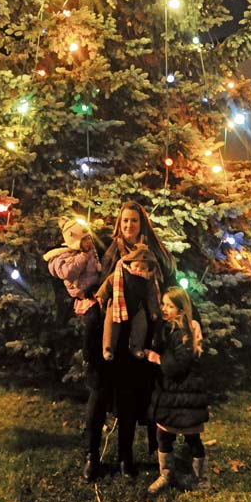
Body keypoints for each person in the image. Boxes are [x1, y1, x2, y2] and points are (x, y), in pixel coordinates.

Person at [82, 200, 178, 483]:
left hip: (136, 336)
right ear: (119, 223)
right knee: (98, 395)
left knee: (127, 397)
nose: (129, 226)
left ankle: (125, 455)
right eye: (125, 221)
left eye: (134, 221)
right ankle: (91, 455)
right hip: (108, 332)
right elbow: (98, 285)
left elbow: (164, 283)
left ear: (142, 223)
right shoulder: (111, 251)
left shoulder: (152, 253)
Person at [146, 287, 209, 494]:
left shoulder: (184, 331)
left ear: (182, 310)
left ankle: (200, 478)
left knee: (192, 438)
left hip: (185, 394)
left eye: (170, 306)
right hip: (171, 394)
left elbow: (178, 364)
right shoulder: (168, 328)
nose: (164, 309)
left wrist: (156, 358)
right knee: (163, 435)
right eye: (163, 304)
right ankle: (166, 473)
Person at [96, 244, 161, 360]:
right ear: (130, 263)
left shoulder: (148, 280)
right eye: (136, 266)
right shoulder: (120, 273)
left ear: (148, 269)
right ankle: (108, 348)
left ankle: (136, 347)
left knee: (141, 324)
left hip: (136, 306)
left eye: (143, 268)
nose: (138, 270)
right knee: (111, 322)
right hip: (117, 303)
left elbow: (152, 296)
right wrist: (101, 296)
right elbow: (108, 284)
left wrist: (154, 311)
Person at [43, 218, 101, 315]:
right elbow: (66, 272)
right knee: (93, 318)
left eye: (88, 238)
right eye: (84, 239)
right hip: (82, 292)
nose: (88, 242)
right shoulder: (66, 255)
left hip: (94, 290)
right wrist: (82, 257)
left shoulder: (90, 251)